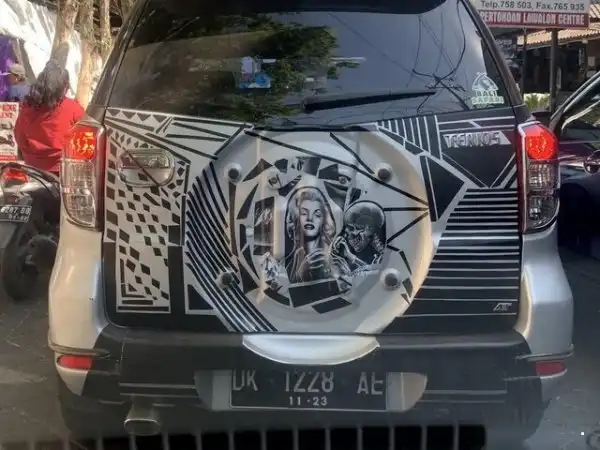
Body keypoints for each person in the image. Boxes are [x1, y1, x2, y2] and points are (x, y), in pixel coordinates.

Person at [14, 60, 84, 174]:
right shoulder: (73, 108)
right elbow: (83, 140)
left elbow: (19, 136)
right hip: (62, 170)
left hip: (33, 168)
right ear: (64, 87)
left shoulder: (29, 106)